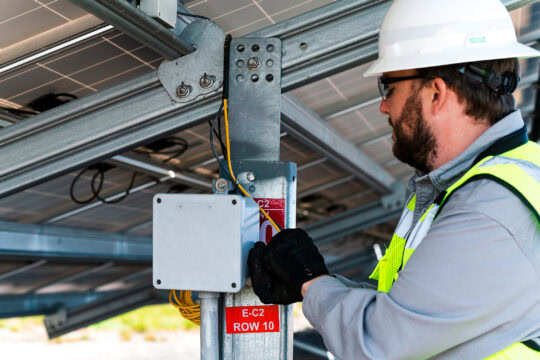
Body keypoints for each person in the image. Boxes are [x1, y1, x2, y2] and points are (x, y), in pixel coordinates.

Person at [247, 0, 540, 359]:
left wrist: (312, 281)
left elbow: (379, 345)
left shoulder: (489, 207)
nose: (384, 107)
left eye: (390, 87)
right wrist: (316, 284)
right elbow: (410, 312)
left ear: (436, 93)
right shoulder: (485, 182)